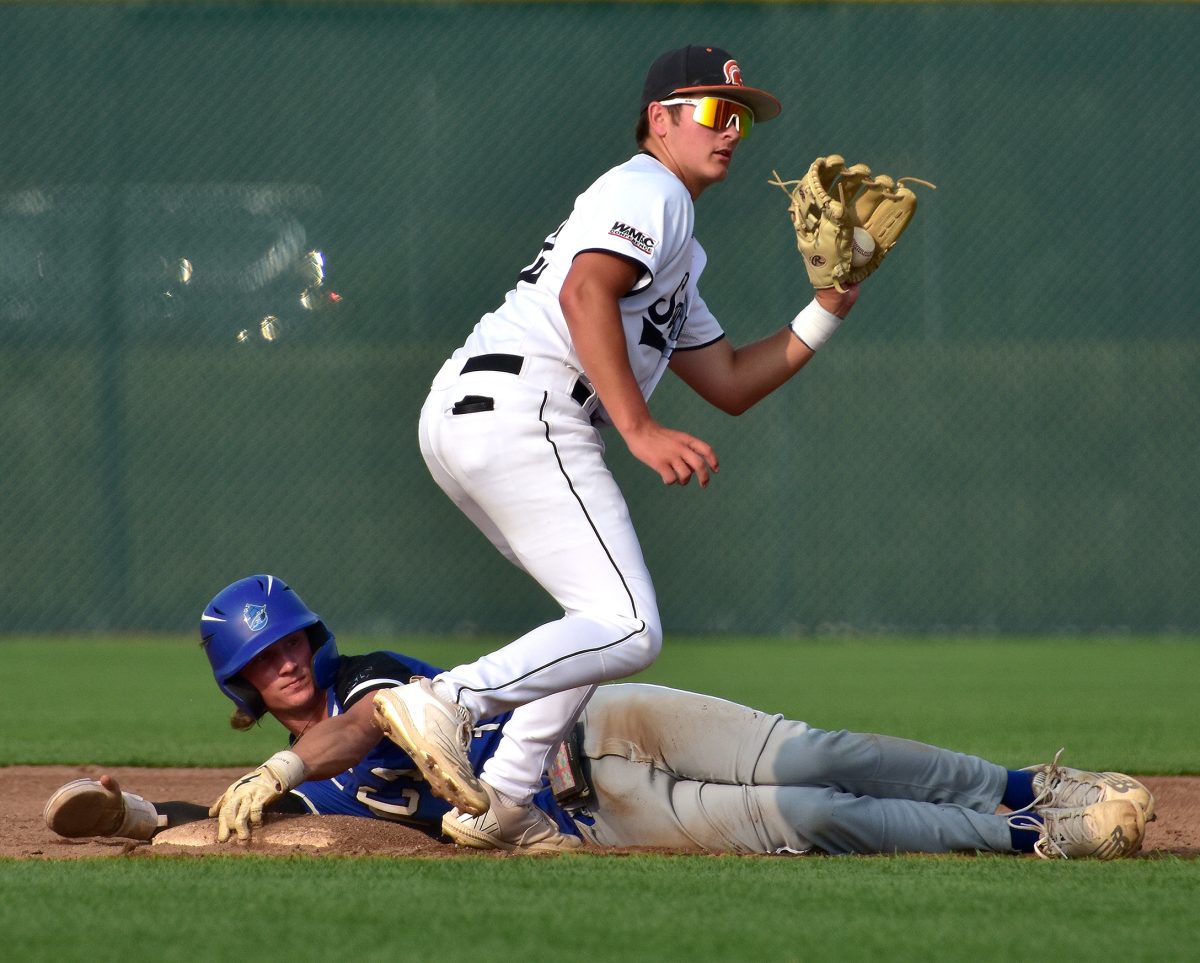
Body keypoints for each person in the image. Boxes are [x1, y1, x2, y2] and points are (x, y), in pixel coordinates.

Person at [376, 45, 865, 850]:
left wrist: (830, 306)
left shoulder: (677, 251)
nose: (732, 129)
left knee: (598, 618)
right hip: (528, 409)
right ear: (660, 119)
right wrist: (637, 428)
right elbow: (583, 291)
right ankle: (451, 701)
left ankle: (501, 798)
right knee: (630, 624)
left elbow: (733, 381)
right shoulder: (649, 189)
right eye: (712, 110)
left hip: (477, 412)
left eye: (739, 116)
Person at [45, 575, 1154, 859]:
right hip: (596, 823)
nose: (286, 664)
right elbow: (216, 823)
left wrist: (283, 771)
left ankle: (1026, 783)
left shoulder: (375, 683)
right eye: (262, 660)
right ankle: (1035, 835)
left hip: (607, 722)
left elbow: (370, 726)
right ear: (239, 686)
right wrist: (132, 810)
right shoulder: (281, 789)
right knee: (814, 815)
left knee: (824, 750)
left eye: (291, 642)